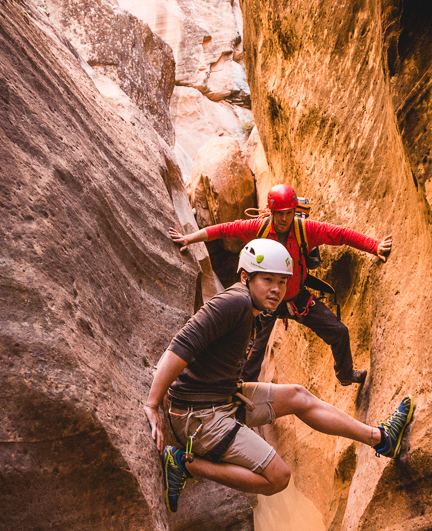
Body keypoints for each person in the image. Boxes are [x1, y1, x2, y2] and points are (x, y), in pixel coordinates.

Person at [142, 238, 413, 513]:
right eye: (268, 280)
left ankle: (382, 438)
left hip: (223, 398)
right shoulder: (234, 302)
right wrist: (153, 403)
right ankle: (184, 464)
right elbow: (181, 344)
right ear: (246, 277)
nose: (276, 289)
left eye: (282, 282)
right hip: (199, 416)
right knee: (278, 478)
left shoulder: (254, 306)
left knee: (298, 396)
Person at [169, 183, 392, 387]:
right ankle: (239, 398)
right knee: (252, 358)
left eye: (289, 213)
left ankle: (345, 375)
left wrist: (375, 246)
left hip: (296, 298)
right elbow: (225, 229)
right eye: (280, 214)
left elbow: (340, 234)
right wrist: (189, 239)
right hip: (265, 302)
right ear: (272, 212)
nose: (285, 219)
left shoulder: (306, 230)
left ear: (294, 211)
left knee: (339, 332)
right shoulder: (259, 228)